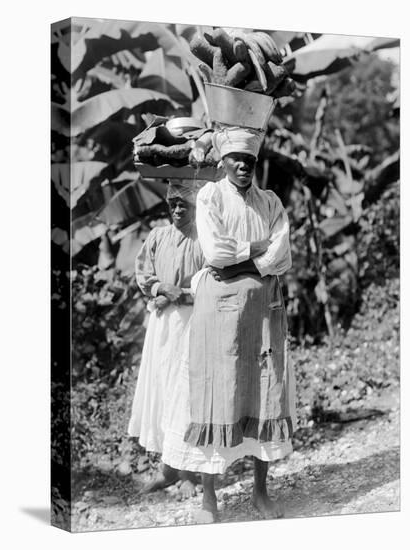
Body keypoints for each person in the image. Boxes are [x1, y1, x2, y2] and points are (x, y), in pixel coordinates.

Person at [182, 126, 297, 523]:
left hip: (265, 306)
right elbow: (214, 251)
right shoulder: (210, 195)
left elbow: (282, 256)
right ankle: (209, 499)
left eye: (249, 160)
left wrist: (245, 260)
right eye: (236, 159)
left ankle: (260, 492)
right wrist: (256, 250)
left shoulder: (270, 201)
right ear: (222, 161)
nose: (244, 166)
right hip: (220, 309)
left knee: (264, 389)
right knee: (218, 387)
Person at [127, 181, 205, 496]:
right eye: (172, 205)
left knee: (185, 392)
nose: (176, 210)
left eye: (182, 205)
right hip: (162, 324)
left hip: (191, 321)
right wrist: (161, 289)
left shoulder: (203, 238)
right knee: (162, 388)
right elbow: (144, 273)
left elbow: (213, 279)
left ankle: (189, 471)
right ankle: (168, 469)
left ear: (195, 207)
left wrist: (179, 294)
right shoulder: (159, 235)